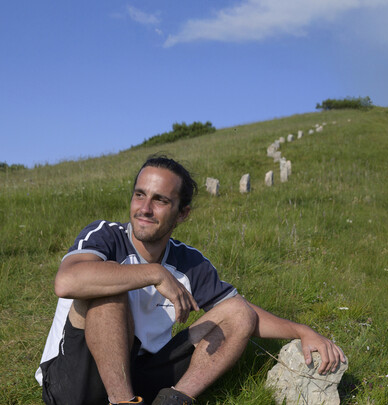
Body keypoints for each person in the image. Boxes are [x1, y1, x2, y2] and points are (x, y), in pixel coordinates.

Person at [35, 155, 345, 405]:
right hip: (74, 381)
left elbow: (241, 313)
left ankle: (174, 400)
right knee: (109, 290)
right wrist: (155, 273)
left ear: (183, 214)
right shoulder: (104, 235)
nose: (144, 208)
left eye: (160, 200)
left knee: (238, 312)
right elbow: (67, 281)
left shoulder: (189, 261)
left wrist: (303, 331)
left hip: (142, 371)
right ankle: (122, 402)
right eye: (139, 195)